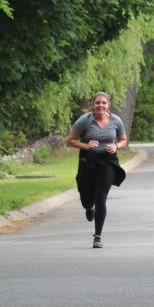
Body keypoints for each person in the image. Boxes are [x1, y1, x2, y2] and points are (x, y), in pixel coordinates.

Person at [67, 91, 128, 249]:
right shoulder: (85, 120)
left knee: (101, 197)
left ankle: (98, 236)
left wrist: (116, 146)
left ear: (109, 105)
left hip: (108, 161)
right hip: (88, 161)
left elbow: (123, 139)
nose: (100, 105)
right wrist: (85, 145)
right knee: (86, 197)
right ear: (93, 105)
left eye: (104, 103)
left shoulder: (116, 121)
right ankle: (89, 207)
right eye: (97, 103)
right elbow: (70, 140)